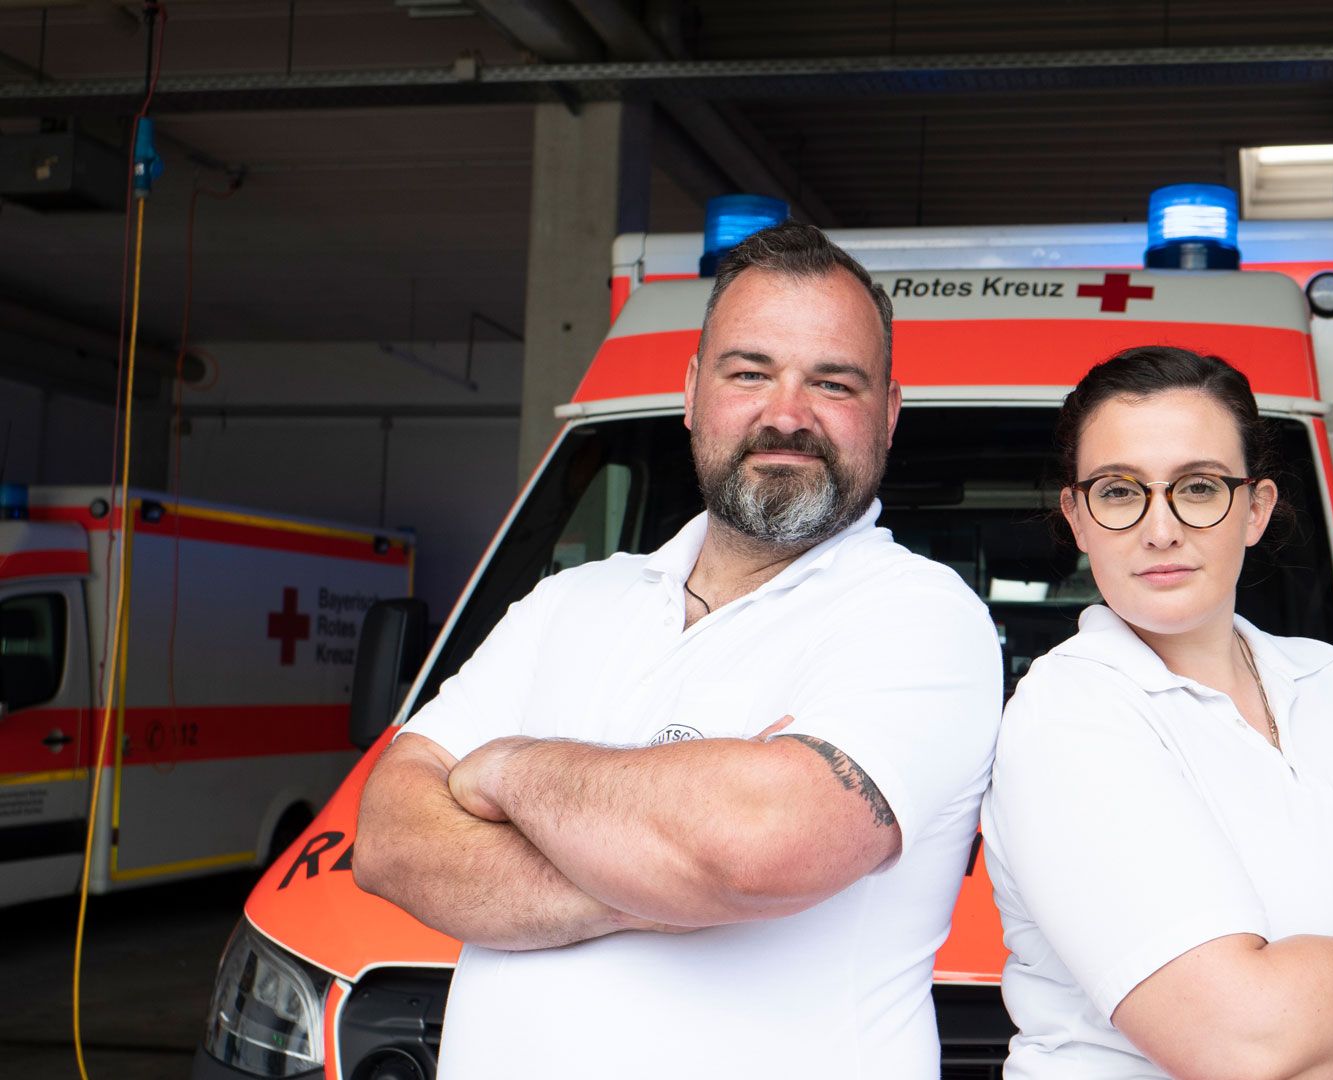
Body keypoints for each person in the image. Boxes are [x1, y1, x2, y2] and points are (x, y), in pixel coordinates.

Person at [354, 222, 1004, 1079]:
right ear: (694, 392)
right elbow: (388, 840)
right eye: (750, 372)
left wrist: (508, 769)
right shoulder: (569, 601)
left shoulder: (921, 614)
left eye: (833, 383)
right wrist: (661, 882)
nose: (787, 415)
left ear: (888, 414)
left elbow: (756, 848)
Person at [982, 346, 1333, 1079]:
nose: (1160, 529)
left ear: (1256, 510)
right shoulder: (1068, 712)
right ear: (1078, 518)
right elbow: (1244, 1045)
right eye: (1120, 491)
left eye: (1199, 487)